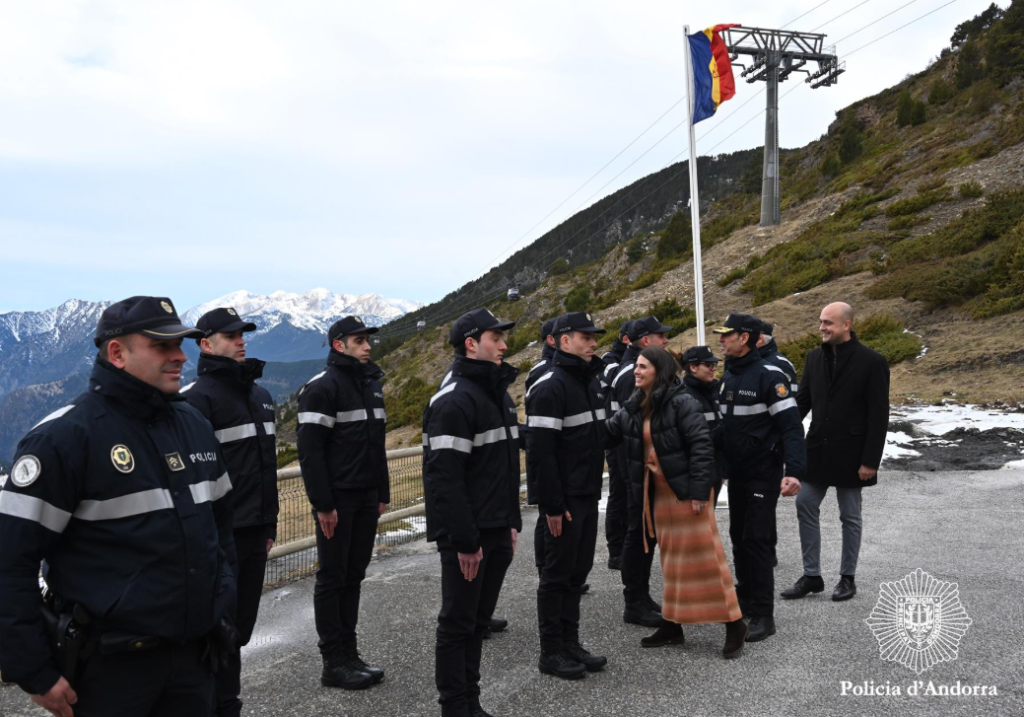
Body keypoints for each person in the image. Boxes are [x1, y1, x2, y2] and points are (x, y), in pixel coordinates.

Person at [0, 296, 238, 717]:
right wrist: (32, 670)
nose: (179, 356)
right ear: (117, 353)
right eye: (162, 346)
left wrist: (224, 603)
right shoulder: (64, 438)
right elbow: (9, 561)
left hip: (195, 661)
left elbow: (220, 529)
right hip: (109, 673)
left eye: (180, 344)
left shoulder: (195, 427)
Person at [607, 347, 747, 657]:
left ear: (659, 370)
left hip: (687, 493)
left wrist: (699, 492)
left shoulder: (684, 402)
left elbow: (701, 447)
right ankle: (672, 623)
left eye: (643, 366)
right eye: (636, 366)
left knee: (707, 562)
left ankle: (735, 622)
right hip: (657, 496)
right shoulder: (635, 404)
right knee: (671, 564)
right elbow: (607, 434)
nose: (636, 371)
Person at [422, 308, 522, 717]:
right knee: (458, 623)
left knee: (479, 622)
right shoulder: (454, 400)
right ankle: (454, 707)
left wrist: (512, 522)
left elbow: (504, 466)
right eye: (495, 338)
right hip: (468, 536)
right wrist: (466, 541)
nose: (504, 345)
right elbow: (445, 480)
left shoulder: (495, 393)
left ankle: (471, 702)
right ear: (471, 344)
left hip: (497, 527)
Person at [182, 307, 279, 717]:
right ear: (206, 344)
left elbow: (266, 466)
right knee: (212, 632)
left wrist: (270, 521)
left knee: (238, 630)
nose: (241, 340)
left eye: (243, 333)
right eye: (230, 335)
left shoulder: (261, 397)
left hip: (256, 531)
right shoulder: (192, 403)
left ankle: (228, 705)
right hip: (218, 539)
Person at [297, 316, 390, 690]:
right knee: (333, 578)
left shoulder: (371, 386)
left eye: (368, 339)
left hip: (367, 498)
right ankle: (333, 661)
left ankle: (350, 655)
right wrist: (323, 504)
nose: (368, 346)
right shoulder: (320, 389)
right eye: (360, 340)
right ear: (339, 345)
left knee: (354, 576)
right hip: (338, 502)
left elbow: (377, 446)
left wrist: (382, 493)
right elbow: (311, 452)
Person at [781, 302, 889, 603]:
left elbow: (879, 415)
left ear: (846, 325)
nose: (822, 327)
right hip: (816, 449)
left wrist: (870, 460)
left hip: (853, 455)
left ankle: (847, 578)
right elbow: (801, 403)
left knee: (850, 516)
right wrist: (779, 432)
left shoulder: (872, 362)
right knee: (805, 502)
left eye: (828, 323)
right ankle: (812, 576)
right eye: (820, 322)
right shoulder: (814, 358)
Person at [526, 312, 608, 680]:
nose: (592, 341)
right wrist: (552, 507)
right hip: (566, 500)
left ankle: (570, 642)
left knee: (578, 572)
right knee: (557, 576)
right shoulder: (550, 386)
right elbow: (541, 455)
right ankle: (551, 651)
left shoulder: (589, 383)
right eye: (584, 336)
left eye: (594, 336)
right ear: (561, 341)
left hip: (588, 493)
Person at [714, 313, 805, 642]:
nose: (721, 340)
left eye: (727, 335)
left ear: (747, 338)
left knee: (756, 540)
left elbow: (792, 427)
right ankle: (747, 600)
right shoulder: (729, 377)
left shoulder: (770, 376)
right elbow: (724, 429)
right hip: (737, 474)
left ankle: (764, 615)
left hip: (763, 473)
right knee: (739, 538)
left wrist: (794, 471)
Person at [608, 316, 672, 628]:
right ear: (645, 340)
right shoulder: (629, 374)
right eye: (661, 336)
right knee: (638, 534)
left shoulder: (651, 370)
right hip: (635, 469)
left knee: (646, 534)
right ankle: (635, 600)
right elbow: (629, 426)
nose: (667, 341)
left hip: (643, 468)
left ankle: (641, 597)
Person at [600, 321, 633, 570]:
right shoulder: (610, 360)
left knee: (631, 492)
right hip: (615, 436)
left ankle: (630, 545)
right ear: (626, 340)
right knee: (619, 491)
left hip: (629, 436)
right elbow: (614, 378)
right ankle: (615, 550)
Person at [678, 346, 727, 506]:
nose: (713, 369)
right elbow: (690, 442)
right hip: (697, 473)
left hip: (716, 468)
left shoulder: (714, 390)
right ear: (693, 367)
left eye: (714, 365)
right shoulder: (685, 396)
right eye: (708, 365)